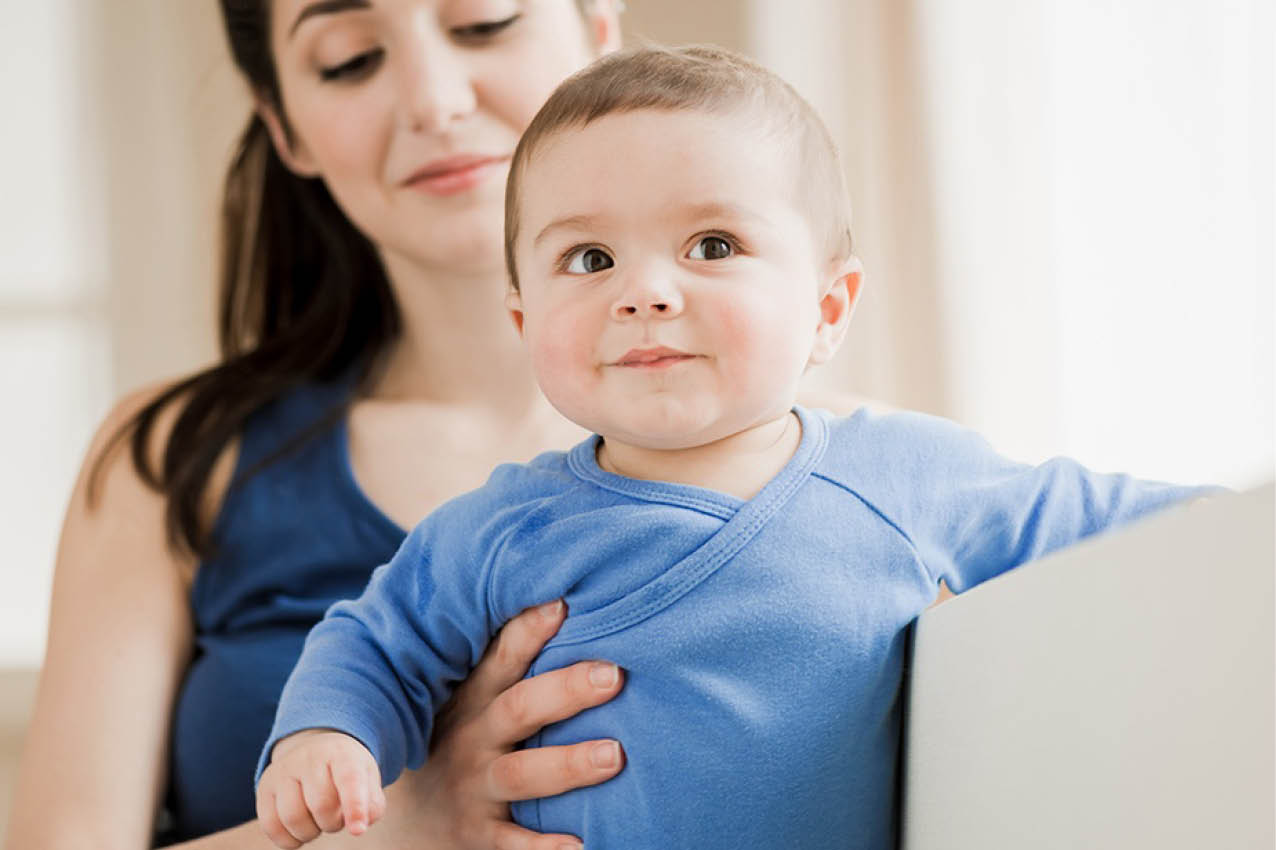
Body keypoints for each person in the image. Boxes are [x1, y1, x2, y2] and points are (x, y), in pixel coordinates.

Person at [252, 46, 1214, 850]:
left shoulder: (909, 479)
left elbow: (1132, 524)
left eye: (712, 244)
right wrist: (326, 737)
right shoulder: (501, 528)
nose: (646, 292)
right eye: (589, 260)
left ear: (828, 308)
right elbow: (375, 642)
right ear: (523, 316)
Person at [1, 2, 691, 849]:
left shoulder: (830, 458)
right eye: (350, 59)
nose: (433, 100)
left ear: (597, 31)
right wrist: (406, 822)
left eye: (483, 21)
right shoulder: (173, 461)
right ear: (283, 126)